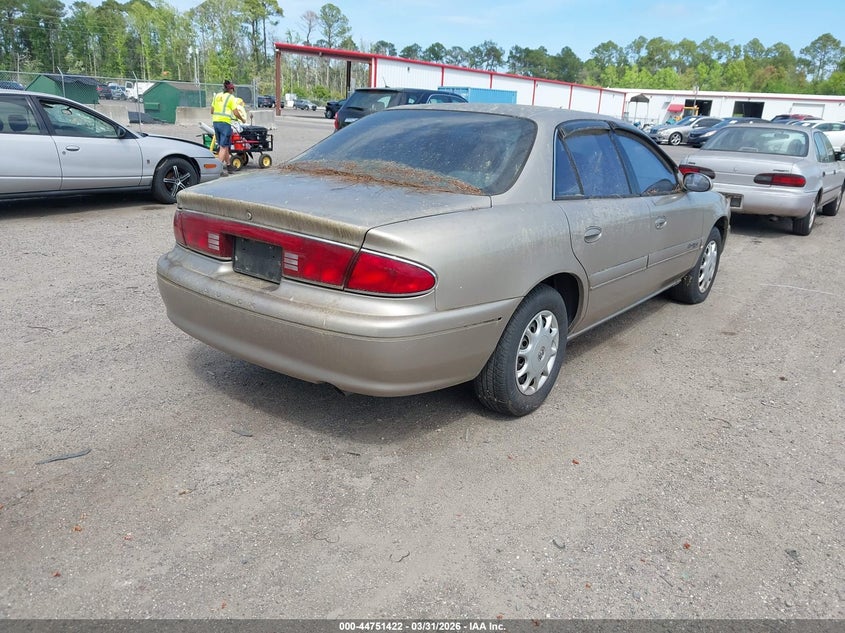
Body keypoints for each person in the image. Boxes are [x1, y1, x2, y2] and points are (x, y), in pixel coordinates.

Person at [210, 80, 246, 175]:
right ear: (230, 89)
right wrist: (242, 119)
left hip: (215, 122)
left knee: (224, 146)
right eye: (233, 90)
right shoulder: (231, 98)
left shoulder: (217, 96)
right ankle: (218, 170)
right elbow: (235, 112)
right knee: (223, 146)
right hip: (225, 123)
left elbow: (212, 110)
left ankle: (229, 165)